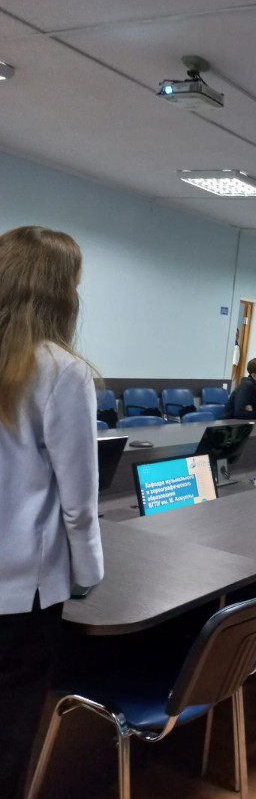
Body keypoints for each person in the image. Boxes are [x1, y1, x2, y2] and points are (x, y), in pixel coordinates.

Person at [0, 226, 104, 799]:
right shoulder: (62, 370)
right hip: (22, 591)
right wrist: (88, 574)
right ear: (60, 291)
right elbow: (78, 502)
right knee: (10, 725)